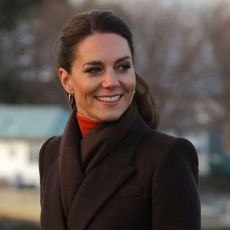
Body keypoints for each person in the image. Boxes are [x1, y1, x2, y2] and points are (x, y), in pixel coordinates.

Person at [39, 10, 201, 230]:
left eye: (123, 67)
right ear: (66, 80)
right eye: (94, 70)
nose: (111, 82)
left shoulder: (167, 156)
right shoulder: (51, 153)